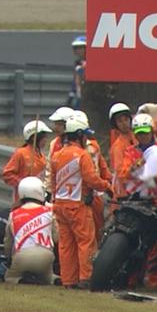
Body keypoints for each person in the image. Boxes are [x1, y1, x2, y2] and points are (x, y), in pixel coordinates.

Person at [51, 115, 112, 289]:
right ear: (79, 135)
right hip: (77, 205)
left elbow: (53, 182)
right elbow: (92, 179)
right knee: (85, 242)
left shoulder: (56, 155)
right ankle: (85, 278)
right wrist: (107, 186)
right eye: (85, 135)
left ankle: (68, 280)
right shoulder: (82, 155)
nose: (87, 139)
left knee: (66, 245)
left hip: (60, 205)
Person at [119, 113, 157, 290]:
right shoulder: (130, 152)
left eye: (145, 132)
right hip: (134, 200)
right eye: (139, 133)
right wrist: (135, 167)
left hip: (155, 201)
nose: (142, 136)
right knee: (131, 241)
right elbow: (123, 174)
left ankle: (155, 282)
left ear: (152, 131)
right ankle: (131, 279)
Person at [4, 177, 57, 285]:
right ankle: (54, 280)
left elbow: (8, 242)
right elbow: (56, 238)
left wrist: (8, 257)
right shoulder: (50, 212)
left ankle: (22, 280)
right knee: (49, 276)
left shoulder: (13, 214)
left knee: (9, 277)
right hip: (46, 256)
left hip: (22, 256)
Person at [74, 110, 112, 243]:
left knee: (98, 228)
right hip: (77, 196)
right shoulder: (64, 149)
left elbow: (102, 166)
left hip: (96, 193)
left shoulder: (94, 146)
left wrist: (108, 180)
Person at [2, 120, 52, 203]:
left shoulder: (42, 156)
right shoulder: (21, 153)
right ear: (34, 137)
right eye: (43, 136)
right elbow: (7, 174)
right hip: (22, 199)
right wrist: (24, 183)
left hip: (39, 199)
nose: (46, 139)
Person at [44, 106, 75, 198]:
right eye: (55, 124)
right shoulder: (54, 143)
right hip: (57, 193)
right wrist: (48, 191)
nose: (56, 127)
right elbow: (49, 170)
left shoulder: (81, 144)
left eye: (59, 124)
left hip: (75, 192)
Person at [108, 103, 136, 199]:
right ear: (115, 124)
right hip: (124, 193)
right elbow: (120, 173)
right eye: (120, 121)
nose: (124, 123)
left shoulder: (137, 138)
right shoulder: (118, 147)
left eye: (126, 119)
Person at [68, 35, 86, 110]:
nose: (77, 50)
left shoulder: (93, 63)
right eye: (75, 48)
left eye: (80, 48)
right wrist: (72, 94)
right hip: (80, 97)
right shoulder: (77, 63)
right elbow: (75, 81)